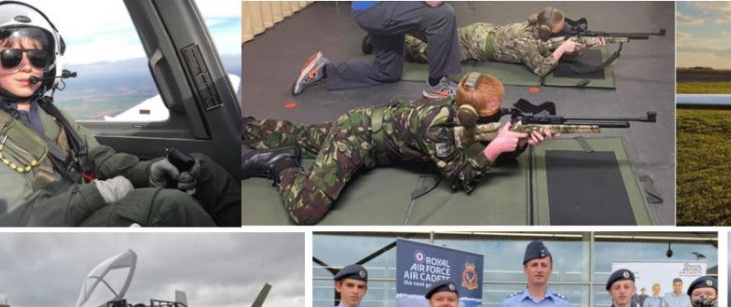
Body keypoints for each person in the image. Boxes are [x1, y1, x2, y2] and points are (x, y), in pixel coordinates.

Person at [0, 1, 239, 227]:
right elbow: (20, 218)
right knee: (167, 206)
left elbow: (99, 158)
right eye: (11, 56)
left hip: (81, 204)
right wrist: (98, 195)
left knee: (204, 168)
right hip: (56, 230)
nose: (27, 65)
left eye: (37, 56)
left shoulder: (53, 116)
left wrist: (149, 171)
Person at [244, 71, 554, 225]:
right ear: (469, 113)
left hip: (366, 121)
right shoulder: (435, 127)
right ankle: (281, 164)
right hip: (357, 139)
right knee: (305, 211)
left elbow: (479, 135)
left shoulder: (456, 107)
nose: (497, 116)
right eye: (491, 113)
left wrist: (518, 142)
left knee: (302, 134)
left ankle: (242, 126)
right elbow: (459, 176)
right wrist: (495, 149)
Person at [293, 1, 461, 99]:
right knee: (443, 15)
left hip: (370, 8)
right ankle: (436, 84)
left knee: (387, 71)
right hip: (377, 9)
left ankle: (323, 70)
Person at [398, 7, 607, 77]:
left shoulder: (535, 27)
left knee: (442, 38)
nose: (562, 32)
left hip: (480, 31)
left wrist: (586, 43)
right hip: (474, 46)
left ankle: (403, 29)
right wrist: (562, 49)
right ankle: (398, 37)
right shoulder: (527, 42)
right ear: (546, 30)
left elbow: (548, 44)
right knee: (429, 53)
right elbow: (541, 69)